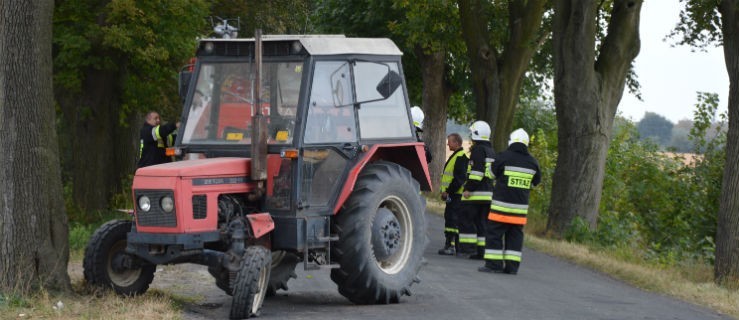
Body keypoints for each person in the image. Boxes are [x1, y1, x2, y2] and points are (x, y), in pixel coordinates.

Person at [478, 128, 541, 275]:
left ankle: (493, 265)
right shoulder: (533, 162)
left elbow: (491, 174)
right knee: (515, 237)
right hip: (520, 210)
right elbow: (534, 182)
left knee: (494, 235)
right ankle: (512, 268)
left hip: (501, 208)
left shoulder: (503, 157)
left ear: (511, 141)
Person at [459, 120, 495, 259]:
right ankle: (481, 251)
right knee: (482, 223)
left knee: (467, 220)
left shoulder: (478, 150)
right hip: (487, 194)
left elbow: (477, 173)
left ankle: (468, 248)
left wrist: (468, 188)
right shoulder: (491, 150)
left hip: (475, 194)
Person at [438, 133, 469, 255]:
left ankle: (451, 246)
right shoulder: (457, 156)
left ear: (456, 143)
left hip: (455, 195)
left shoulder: (460, 157)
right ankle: (455, 246)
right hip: (454, 195)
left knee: (452, 220)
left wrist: (448, 191)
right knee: (451, 219)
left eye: (449, 141)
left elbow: (459, 179)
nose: (447, 144)